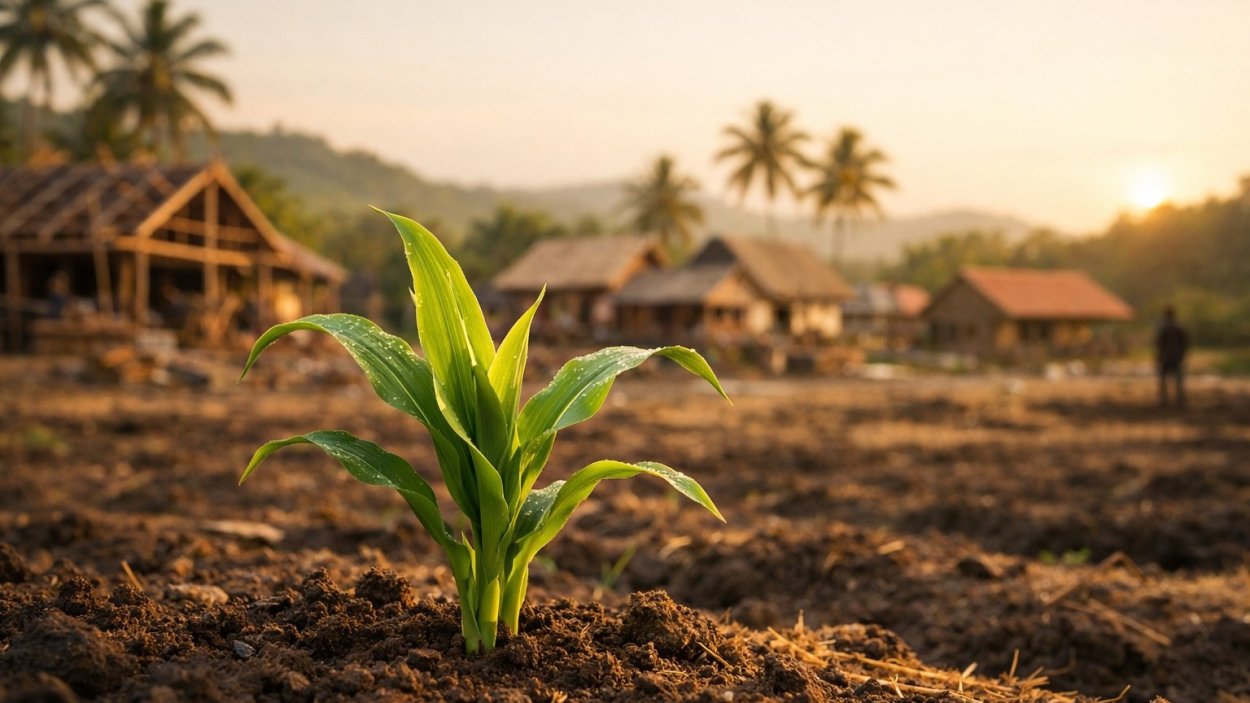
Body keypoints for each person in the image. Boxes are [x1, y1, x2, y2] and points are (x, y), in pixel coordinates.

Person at [1155, 306, 1189, 408]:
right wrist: (1182, 354)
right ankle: (1180, 400)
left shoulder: (1164, 329)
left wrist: (1159, 356)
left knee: (1163, 380)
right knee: (1178, 380)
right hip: (1177, 357)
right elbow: (1185, 343)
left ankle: (1164, 399)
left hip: (1166, 357)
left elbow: (1159, 344)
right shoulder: (1180, 327)